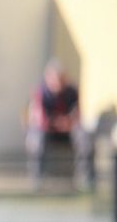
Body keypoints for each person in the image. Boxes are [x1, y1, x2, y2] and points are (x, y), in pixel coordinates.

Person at [26, 60, 92, 188]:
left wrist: (68, 122)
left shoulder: (72, 92)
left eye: (61, 79)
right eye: (55, 79)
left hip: (67, 130)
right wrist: (57, 122)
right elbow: (40, 120)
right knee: (36, 139)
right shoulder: (40, 93)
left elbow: (77, 115)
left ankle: (86, 178)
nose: (58, 83)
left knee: (84, 137)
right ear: (47, 78)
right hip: (46, 130)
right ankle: (37, 179)